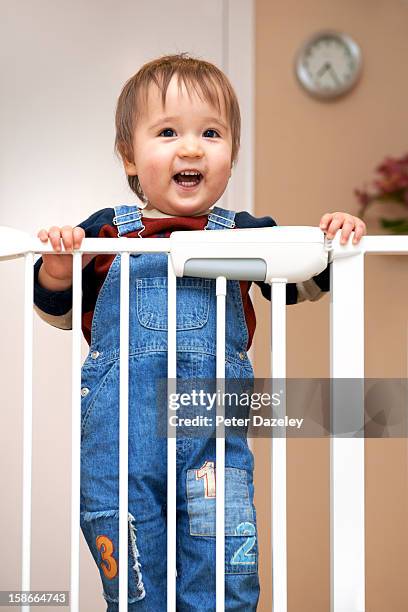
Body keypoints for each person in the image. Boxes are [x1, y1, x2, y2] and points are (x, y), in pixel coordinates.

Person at [33, 53, 366, 611]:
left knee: (223, 574)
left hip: (215, 448)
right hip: (120, 446)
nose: (190, 148)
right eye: (167, 132)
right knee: (136, 578)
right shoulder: (105, 230)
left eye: (211, 133)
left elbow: (299, 282)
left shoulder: (246, 233)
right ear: (130, 158)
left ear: (231, 156)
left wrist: (334, 240)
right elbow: (57, 310)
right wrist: (61, 264)